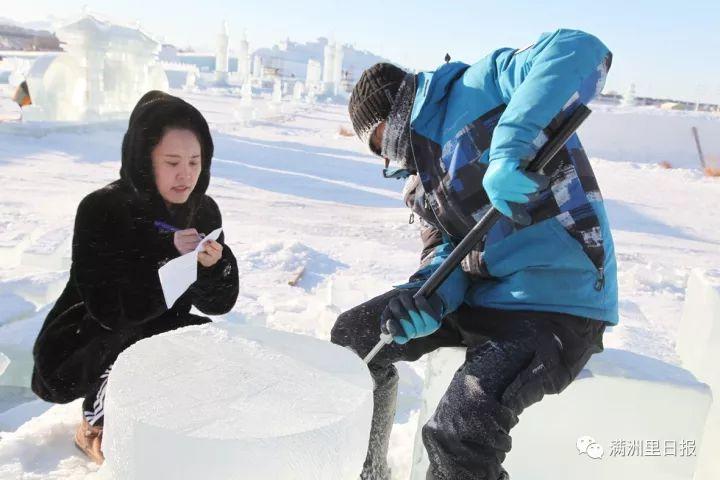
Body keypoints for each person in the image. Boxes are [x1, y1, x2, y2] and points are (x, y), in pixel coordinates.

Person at [332, 29, 618, 479]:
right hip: (479, 298)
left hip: (554, 303)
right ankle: (369, 471)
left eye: (381, 142)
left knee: (457, 433)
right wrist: (425, 299)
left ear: (397, 108)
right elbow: (442, 254)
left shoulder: (477, 85)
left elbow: (578, 50)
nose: (389, 158)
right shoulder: (420, 184)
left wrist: (509, 151)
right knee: (351, 339)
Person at [31, 91, 239, 464]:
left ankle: (168, 417)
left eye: (195, 161)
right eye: (172, 161)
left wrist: (212, 268)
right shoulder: (103, 208)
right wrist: (168, 256)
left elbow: (219, 302)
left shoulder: (202, 210)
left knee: (207, 339)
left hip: (159, 325)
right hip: (87, 338)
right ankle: (95, 426)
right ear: (145, 160)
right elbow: (110, 309)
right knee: (135, 341)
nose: (186, 174)